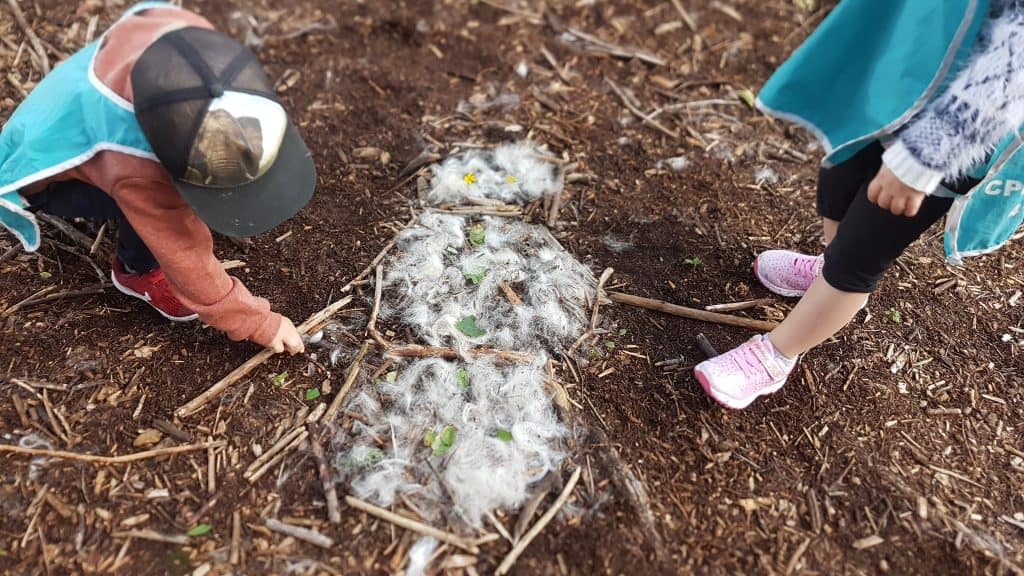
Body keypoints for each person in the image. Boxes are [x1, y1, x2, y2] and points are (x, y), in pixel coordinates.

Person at [695, 0, 1024, 409]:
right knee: (838, 181)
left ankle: (777, 353)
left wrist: (924, 159)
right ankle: (826, 270)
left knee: (864, 249)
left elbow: (1013, 66)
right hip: (903, 74)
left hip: (955, 136)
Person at [0, 2, 316, 355]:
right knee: (167, 213)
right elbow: (184, 255)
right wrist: (257, 320)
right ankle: (136, 271)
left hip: (75, 105)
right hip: (42, 171)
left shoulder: (190, 39)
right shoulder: (137, 167)